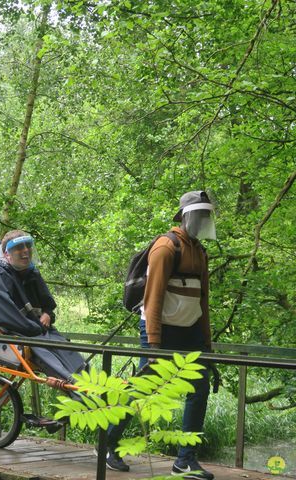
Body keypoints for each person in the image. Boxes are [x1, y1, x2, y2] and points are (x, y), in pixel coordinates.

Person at [105, 190, 215, 480]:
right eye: (199, 214)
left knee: (198, 389)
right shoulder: (167, 247)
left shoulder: (200, 251)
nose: (203, 220)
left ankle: (185, 460)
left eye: (207, 214)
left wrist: (207, 342)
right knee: (143, 391)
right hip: (161, 332)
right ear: (185, 216)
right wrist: (153, 346)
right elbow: (152, 300)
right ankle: (108, 442)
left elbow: (203, 301)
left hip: (190, 332)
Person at [0, 230, 87, 384]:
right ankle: (80, 395)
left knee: (74, 358)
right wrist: (35, 328)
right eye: (19, 248)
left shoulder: (30, 271)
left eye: (28, 246)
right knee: (63, 374)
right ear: (7, 254)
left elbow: (47, 304)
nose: (26, 251)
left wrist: (47, 314)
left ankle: (96, 390)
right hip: (18, 333)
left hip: (38, 330)